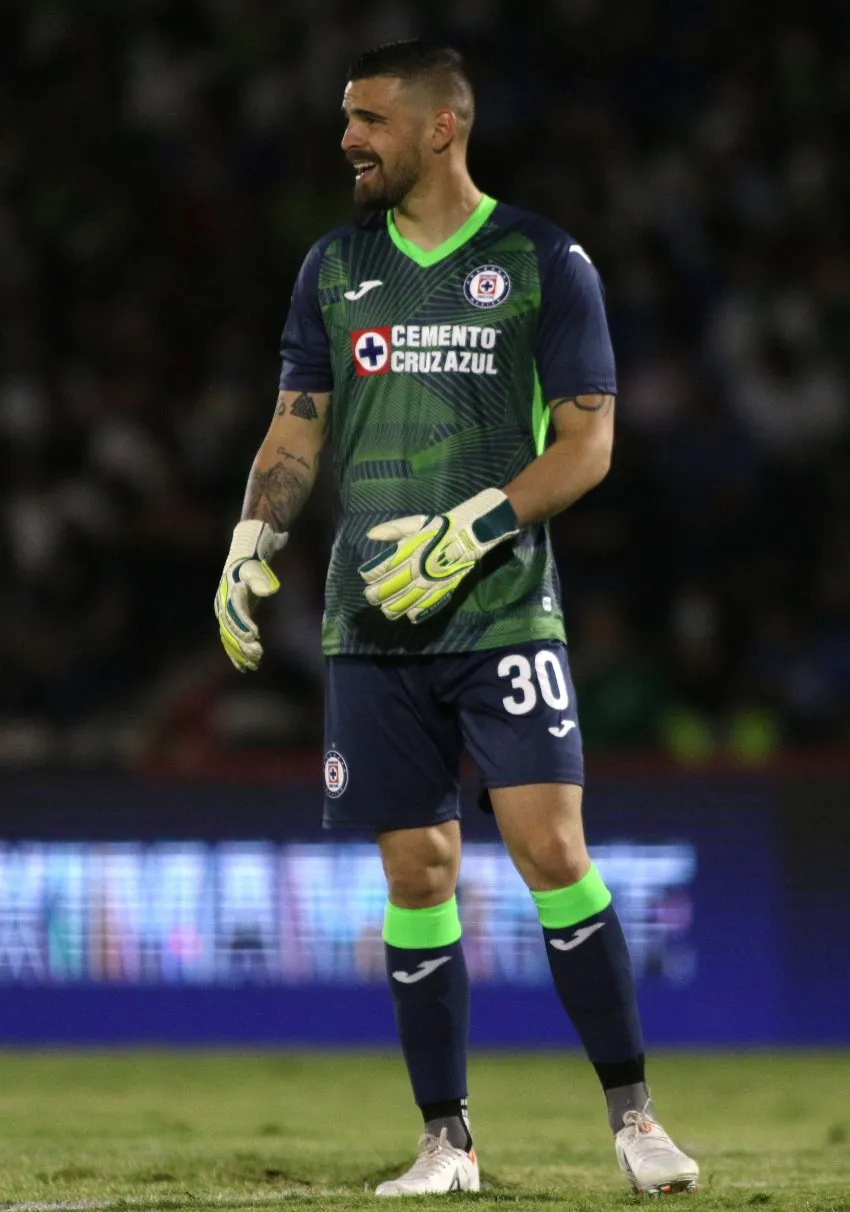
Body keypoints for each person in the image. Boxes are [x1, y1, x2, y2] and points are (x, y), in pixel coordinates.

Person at [214, 39, 698, 1198]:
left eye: (368, 120)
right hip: (369, 623)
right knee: (419, 876)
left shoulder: (540, 262)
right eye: (345, 120)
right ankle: (448, 1142)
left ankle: (635, 1121)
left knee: (551, 851)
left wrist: (478, 525)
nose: (347, 140)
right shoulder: (333, 267)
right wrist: (253, 534)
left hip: (501, 613)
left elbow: (588, 444)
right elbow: (296, 427)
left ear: (440, 128)